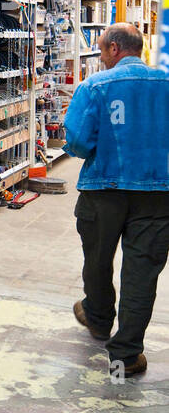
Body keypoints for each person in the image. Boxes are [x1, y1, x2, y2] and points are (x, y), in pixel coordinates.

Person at [64, 22, 169, 378]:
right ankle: (125, 355)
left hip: (103, 189)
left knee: (97, 258)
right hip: (158, 193)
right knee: (142, 272)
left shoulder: (95, 86)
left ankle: (97, 317)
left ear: (113, 49)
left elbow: (77, 140)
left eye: (101, 49)